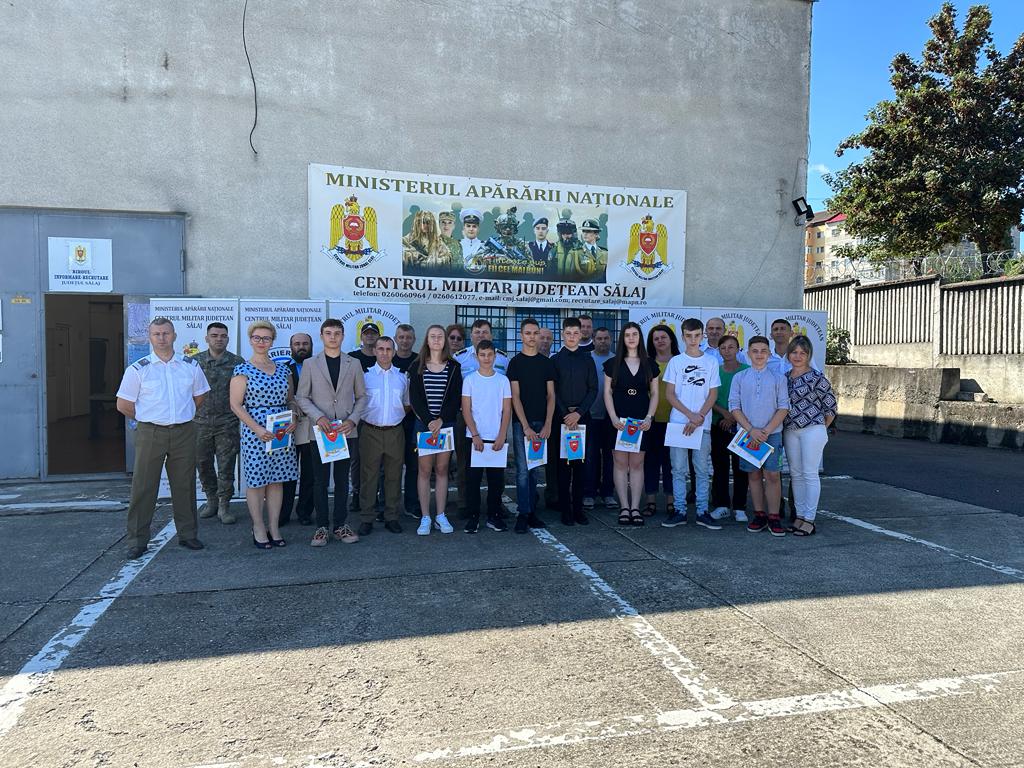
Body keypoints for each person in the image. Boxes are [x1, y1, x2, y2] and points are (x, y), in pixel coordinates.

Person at [116, 318, 210, 559]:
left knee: (184, 484)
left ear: (174, 336)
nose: (161, 338)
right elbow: (123, 404)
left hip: (184, 431)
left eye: (166, 333)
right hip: (151, 432)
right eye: (156, 334)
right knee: (144, 486)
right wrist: (149, 417)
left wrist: (179, 415)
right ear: (150, 337)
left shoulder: (190, 366)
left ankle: (188, 534)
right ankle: (137, 540)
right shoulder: (138, 369)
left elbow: (199, 397)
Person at [296, 319, 367, 547]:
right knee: (319, 480)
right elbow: (301, 397)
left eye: (337, 333)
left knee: (342, 480)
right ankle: (321, 527)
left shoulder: (353, 363)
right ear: (321, 336)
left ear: (343, 336)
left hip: (345, 431)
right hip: (320, 431)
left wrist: (353, 420)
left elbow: (362, 397)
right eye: (328, 333)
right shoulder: (310, 364)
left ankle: (340, 525)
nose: (333, 337)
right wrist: (319, 417)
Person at [229, 321, 299, 549]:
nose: (261, 342)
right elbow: (235, 404)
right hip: (255, 433)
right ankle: (258, 527)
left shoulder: (283, 370)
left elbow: (290, 399)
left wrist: (294, 416)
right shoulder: (243, 370)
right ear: (251, 340)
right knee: (257, 482)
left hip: (281, 431)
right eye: (257, 338)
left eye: (266, 338)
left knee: (277, 480)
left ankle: (274, 527)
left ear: (272, 341)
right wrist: (257, 428)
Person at [661, 318, 721, 530]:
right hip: (679, 423)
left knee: (702, 469)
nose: (693, 340)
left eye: (696, 335)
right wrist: (689, 415)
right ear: (683, 336)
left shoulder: (711, 362)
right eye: (689, 336)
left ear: (702, 335)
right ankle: (680, 511)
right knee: (678, 470)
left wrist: (699, 416)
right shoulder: (676, 362)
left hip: (702, 424)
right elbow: (670, 394)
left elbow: (713, 393)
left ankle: (702, 512)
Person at [729, 336, 790, 537]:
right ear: (748, 354)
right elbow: (734, 406)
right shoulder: (740, 377)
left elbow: (784, 406)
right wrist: (751, 430)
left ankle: (774, 516)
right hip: (748, 435)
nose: (759, 354)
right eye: (755, 351)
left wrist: (767, 430)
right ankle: (759, 514)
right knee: (753, 475)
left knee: (772, 475)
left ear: (769, 354)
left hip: (772, 435)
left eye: (763, 350)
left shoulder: (778, 378)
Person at [408, 324, 462, 535]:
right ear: (427, 340)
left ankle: (440, 515)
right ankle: (425, 517)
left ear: (445, 340)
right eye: (433, 336)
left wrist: (441, 419)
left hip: (445, 425)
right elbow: (415, 398)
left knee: (442, 469)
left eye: (440, 336)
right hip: (425, 425)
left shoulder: (454, 367)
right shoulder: (417, 366)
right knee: (424, 471)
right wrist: (430, 420)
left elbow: (455, 398)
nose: (437, 339)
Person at [604, 322, 660, 526]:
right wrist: (613, 417)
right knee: (620, 464)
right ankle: (624, 507)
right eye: (627, 335)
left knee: (637, 464)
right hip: (618, 421)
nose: (631, 338)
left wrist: (649, 417)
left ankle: (635, 507)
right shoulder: (612, 363)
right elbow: (607, 392)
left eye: (634, 334)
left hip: (640, 422)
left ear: (640, 337)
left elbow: (655, 393)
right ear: (622, 338)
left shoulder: (650, 364)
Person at [783, 335, 837, 536]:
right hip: (790, 431)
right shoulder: (785, 378)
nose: (798, 356)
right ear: (789, 354)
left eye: (802, 353)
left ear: (808, 356)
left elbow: (831, 407)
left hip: (812, 430)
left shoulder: (817, 377)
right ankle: (799, 516)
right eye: (794, 352)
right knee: (796, 474)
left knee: (810, 474)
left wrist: (818, 428)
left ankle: (809, 519)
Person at [454, 319, 509, 517]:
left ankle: (497, 504)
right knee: (466, 462)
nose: (481, 335)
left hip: (494, 418)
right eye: (477, 332)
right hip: (465, 416)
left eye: (485, 332)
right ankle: (465, 503)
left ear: (491, 335)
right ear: (471, 336)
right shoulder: (459, 358)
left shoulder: (502, 359)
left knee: (496, 463)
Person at [507, 317, 555, 533]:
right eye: (528, 333)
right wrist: (525, 426)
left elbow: (551, 396)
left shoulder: (547, 363)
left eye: (535, 333)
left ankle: (532, 512)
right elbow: (515, 397)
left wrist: (548, 424)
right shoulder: (515, 363)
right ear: (521, 336)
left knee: (535, 469)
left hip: (541, 423)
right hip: (522, 424)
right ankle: (523, 513)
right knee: (522, 470)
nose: (532, 337)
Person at [358, 336, 410, 535]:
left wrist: (393, 418)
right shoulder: (365, 376)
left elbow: (407, 404)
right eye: (381, 349)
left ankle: (391, 517)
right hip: (370, 431)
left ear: (394, 352)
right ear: (374, 351)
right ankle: (367, 518)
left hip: (395, 432)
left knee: (394, 476)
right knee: (368, 477)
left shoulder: (402, 377)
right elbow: (357, 402)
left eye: (389, 349)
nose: (385, 353)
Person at [194, 322, 244, 525]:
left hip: (227, 423)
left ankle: (224, 505)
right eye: (214, 335)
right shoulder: (194, 362)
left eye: (223, 336)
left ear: (228, 339)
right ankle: (211, 500)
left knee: (226, 466)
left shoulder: (237, 362)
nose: (219, 339)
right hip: (200, 423)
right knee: (203, 464)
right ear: (207, 338)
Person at [461, 340, 512, 533]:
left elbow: (506, 410)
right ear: (477, 357)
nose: (486, 358)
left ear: (495, 356)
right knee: (473, 481)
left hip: (496, 438)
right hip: (475, 438)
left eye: (490, 355)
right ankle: (473, 517)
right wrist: (475, 434)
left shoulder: (503, 381)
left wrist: (502, 435)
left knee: (496, 481)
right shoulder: (470, 380)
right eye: (482, 355)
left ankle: (494, 516)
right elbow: (466, 410)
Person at [551, 317, 598, 526]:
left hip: (581, 419)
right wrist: (565, 414)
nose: (572, 337)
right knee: (562, 466)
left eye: (575, 333)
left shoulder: (588, 360)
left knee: (580, 465)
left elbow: (593, 389)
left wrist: (578, 413)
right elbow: (552, 391)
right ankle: (565, 510)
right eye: (568, 333)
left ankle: (578, 510)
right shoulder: (555, 360)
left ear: (581, 335)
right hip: (561, 419)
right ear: (563, 334)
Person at [709, 335, 750, 522]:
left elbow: (751, 398)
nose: (727, 351)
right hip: (719, 424)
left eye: (731, 347)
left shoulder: (747, 371)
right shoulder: (714, 371)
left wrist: (734, 417)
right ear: (719, 351)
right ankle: (722, 505)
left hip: (742, 426)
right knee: (720, 467)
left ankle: (740, 507)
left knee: (741, 468)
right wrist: (724, 414)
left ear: (738, 349)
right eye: (723, 348)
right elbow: (708, 398)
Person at [280, 332, 315, 526]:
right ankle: (283, 513)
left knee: (310, 472)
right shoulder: (282, 369)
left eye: (305, 344)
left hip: (312, 425)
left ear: (311, 346)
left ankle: (304, 512)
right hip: (289, 426)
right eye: (297, 344)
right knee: (287, 472)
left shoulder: (319, 367)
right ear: (291, 346)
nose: (301, 347)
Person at [643, 324, 678, 518]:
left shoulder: (680, 361)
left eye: (663, 337)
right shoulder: (647, 363)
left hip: (675, 420)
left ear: (671, 339)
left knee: (671, 463)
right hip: (651, 420)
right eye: (656, 338)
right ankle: (650, 502)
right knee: (651, 462)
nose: (660, 341)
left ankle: (672, 502)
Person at [347, 323, 379, 519]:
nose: (370, 336)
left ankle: (376, 496)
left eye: (373, 333)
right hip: (356, 416)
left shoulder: (382, 356)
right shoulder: (352, 358)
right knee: (357, 459)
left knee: (378, 461)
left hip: (377, 416)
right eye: (366, 333)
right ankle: (357, 495)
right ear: (361, 336)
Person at [584, 327, 616, 511]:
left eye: (606, 338)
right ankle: (589, 493)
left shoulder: (617, 360)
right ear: (593, 340)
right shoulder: (586, 359)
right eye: (599, 338)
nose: (603, 341)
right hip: (591, 415)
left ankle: (608, 493)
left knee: (610, 458)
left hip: (612, 418)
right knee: (590, 457)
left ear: (610, 340)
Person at [393, 323, 419, 519]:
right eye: (401, 337)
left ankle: (411, 504)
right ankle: (387, 506)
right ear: (396, 339)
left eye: (408, 337)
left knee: (413, 466)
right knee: (389, 467)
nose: (404, 341)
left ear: (414, 340)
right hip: (391, 422)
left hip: (414, 422)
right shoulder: (387, 359)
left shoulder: (420, 361)